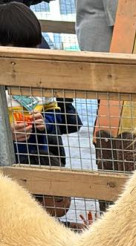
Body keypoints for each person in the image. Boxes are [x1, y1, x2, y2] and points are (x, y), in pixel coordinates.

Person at [1, 2, 82, 217]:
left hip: (40, 153)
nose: (25, 55)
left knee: (46, 206)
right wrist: (7, 131)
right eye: (17, 49)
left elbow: (56, 112)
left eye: (31, 48)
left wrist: (44, 121)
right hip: (8, 161)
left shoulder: (39, 79)